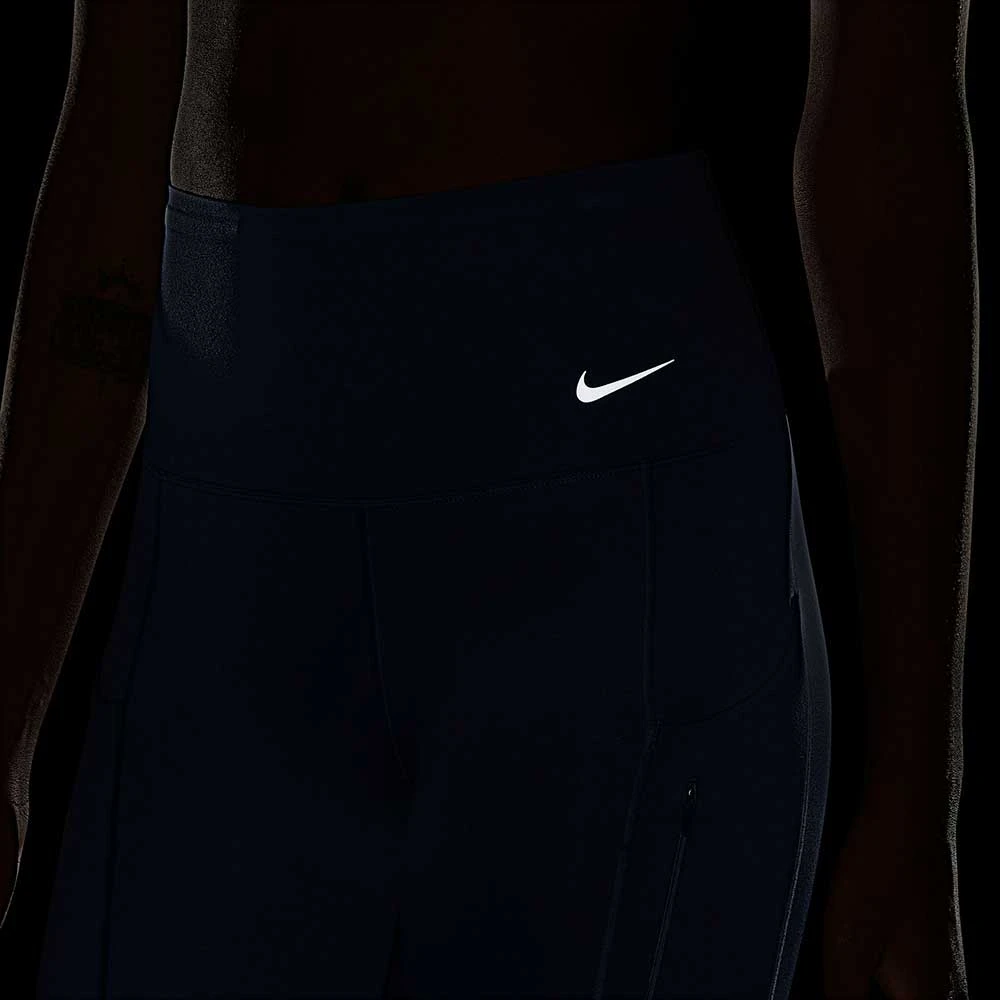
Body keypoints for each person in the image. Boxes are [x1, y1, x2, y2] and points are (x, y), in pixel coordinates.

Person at [0, 2, 975, 998]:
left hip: (607, 504)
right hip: (237, 522)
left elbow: (886, 126)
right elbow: (116, 124)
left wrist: (914, 793)